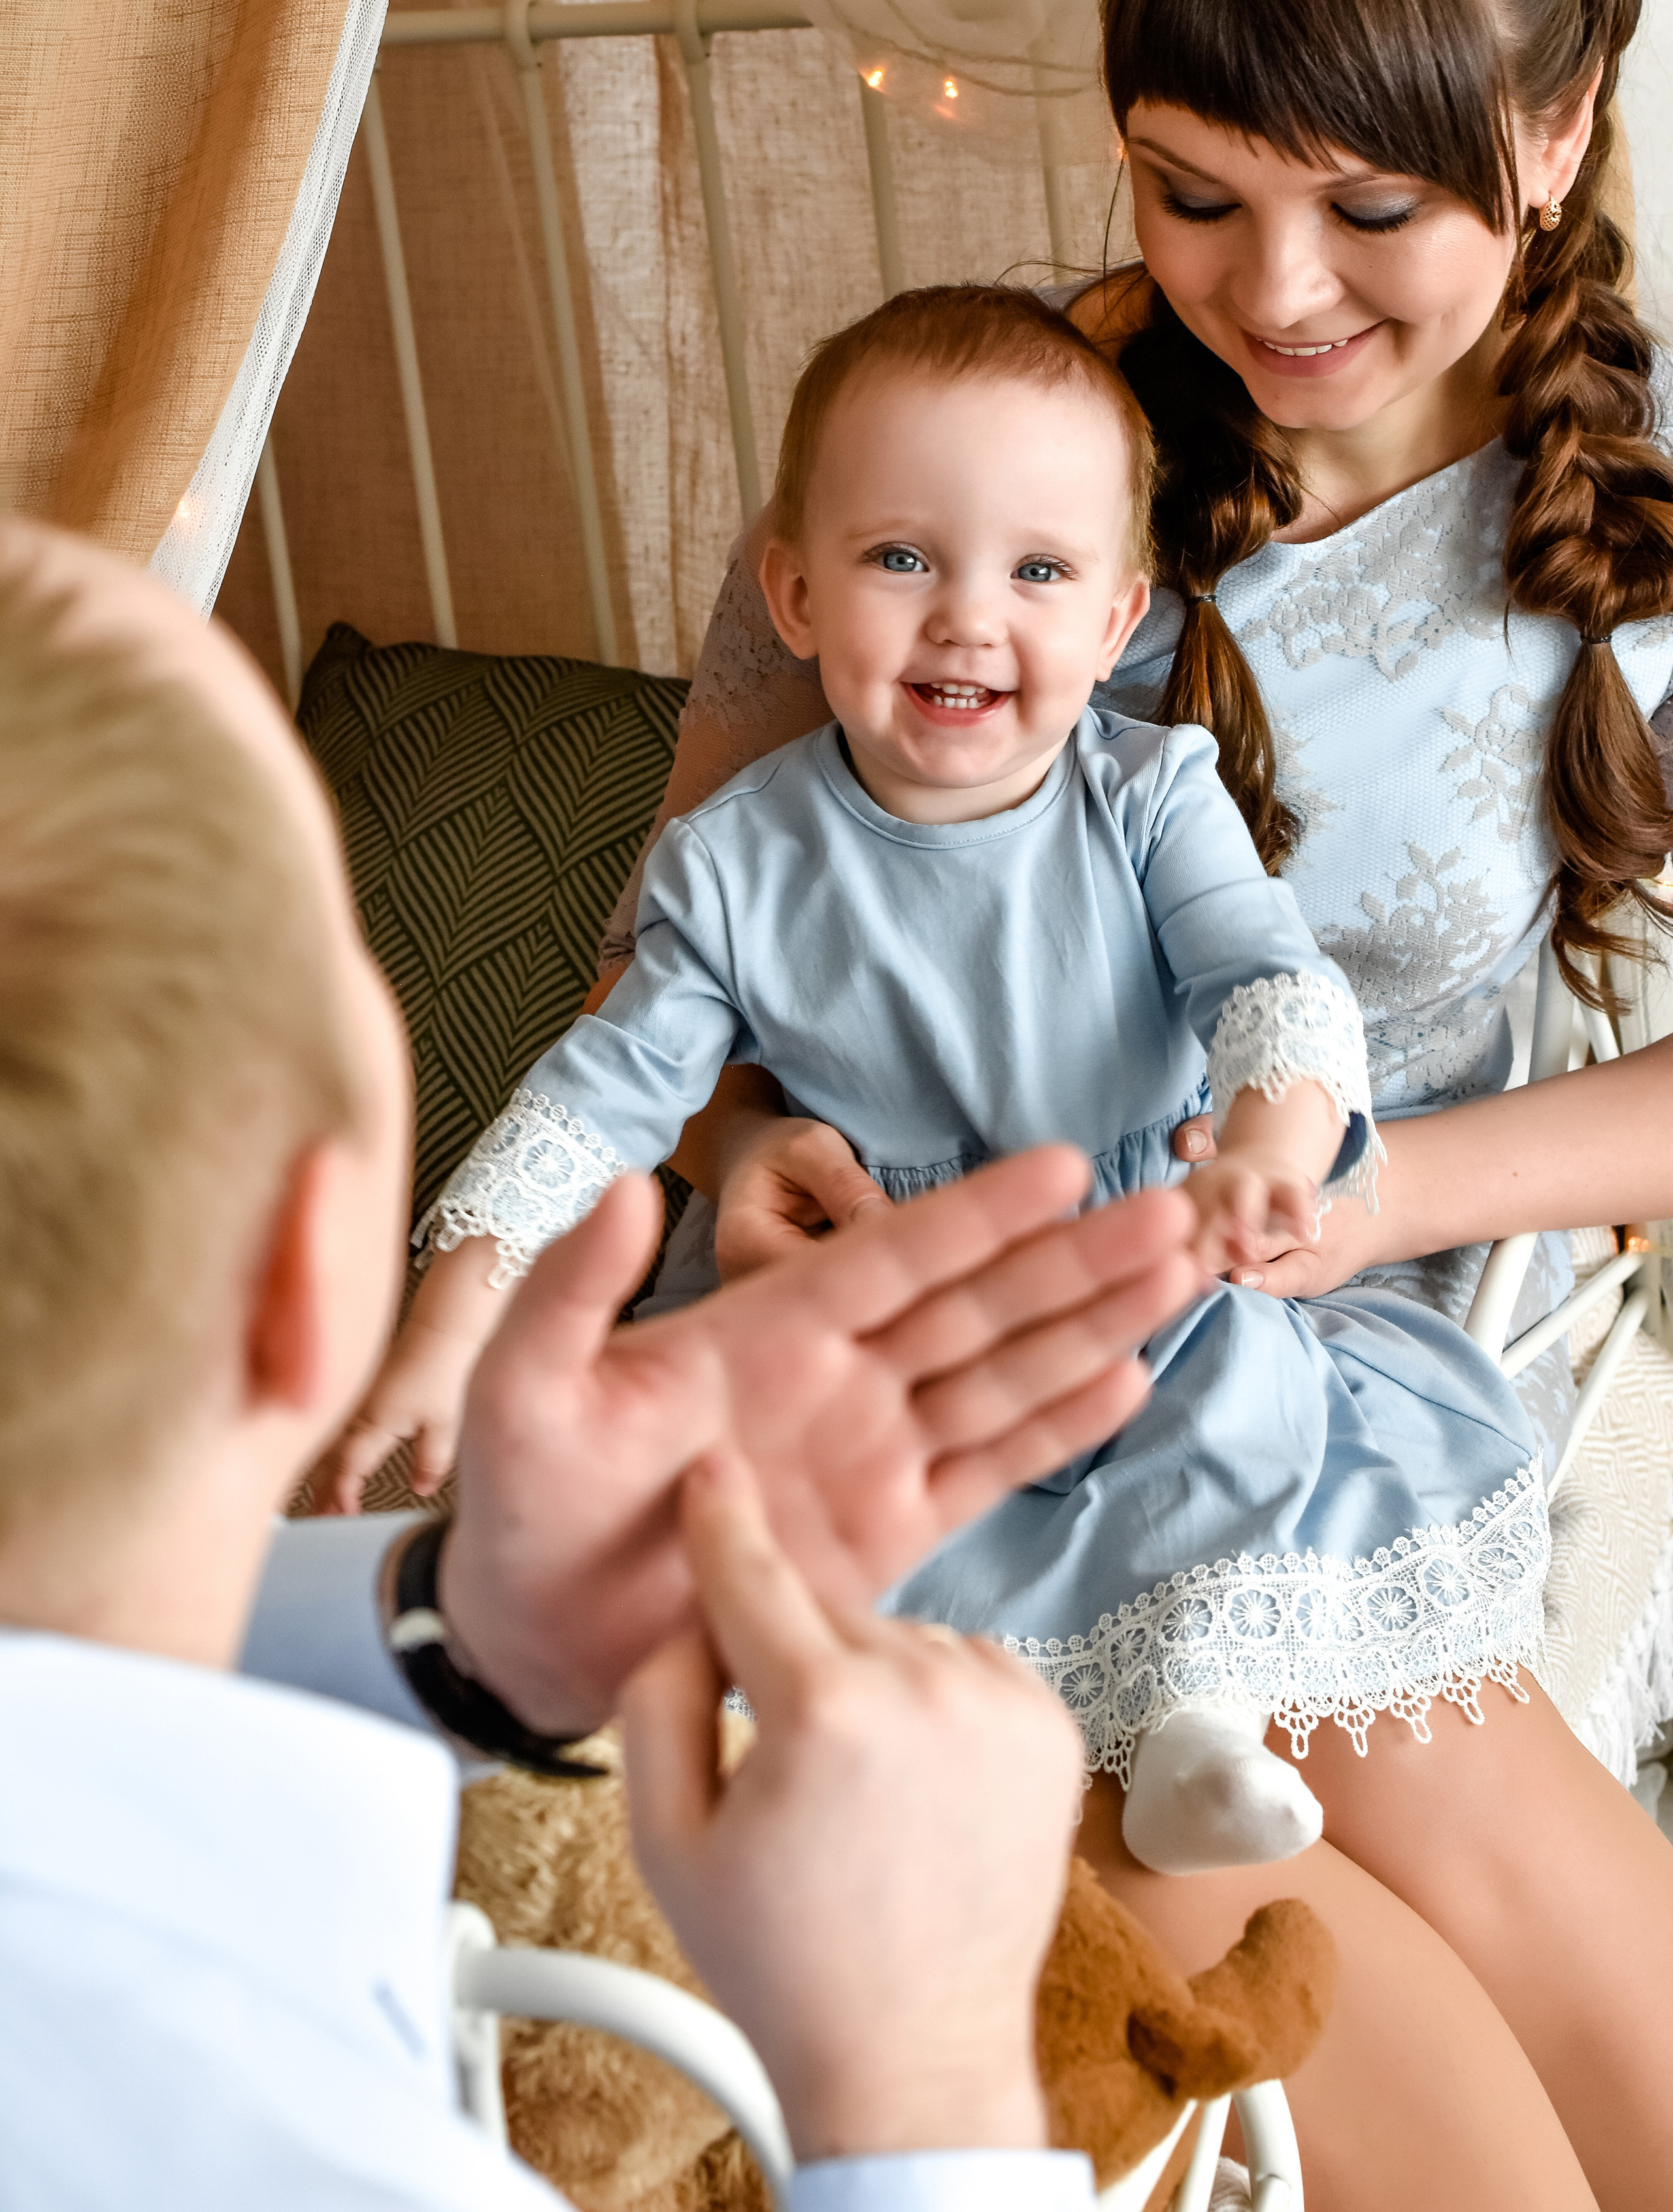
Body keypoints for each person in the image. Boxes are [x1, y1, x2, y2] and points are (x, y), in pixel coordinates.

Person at [480, 0, 1673, 2209]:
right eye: (1195, 192)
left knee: (1610, 2006)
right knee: (1439, 2097)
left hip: (1304, 1362)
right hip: (917, 1383)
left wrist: (1367, 1189)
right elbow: (690, 937)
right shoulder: (965, 446)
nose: (1277, 290)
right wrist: (754, 1147)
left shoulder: (1625, 549)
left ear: (1552, 133)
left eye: (1371, 204)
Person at [0, 520, 1210, 2209]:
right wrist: (923, 2096)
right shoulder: (312, 2158)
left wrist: (450, 1639)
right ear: (307, 1270)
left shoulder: (1149, 797)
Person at [338, 280, 1548, 1885]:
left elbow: (1265, 982)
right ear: (792, 591)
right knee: (804, 1483)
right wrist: (447, 1324)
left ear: (1115, 619)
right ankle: (926, 1738)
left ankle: (1196, 1712)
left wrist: (1268, 1143)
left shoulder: (1145, 792)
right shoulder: (736, 864)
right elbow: (597, 1100)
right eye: (900, 559)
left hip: (1138, 1262)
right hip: (889, 1304)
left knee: (1228, 1392)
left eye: (1036, 572)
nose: (968, 619)